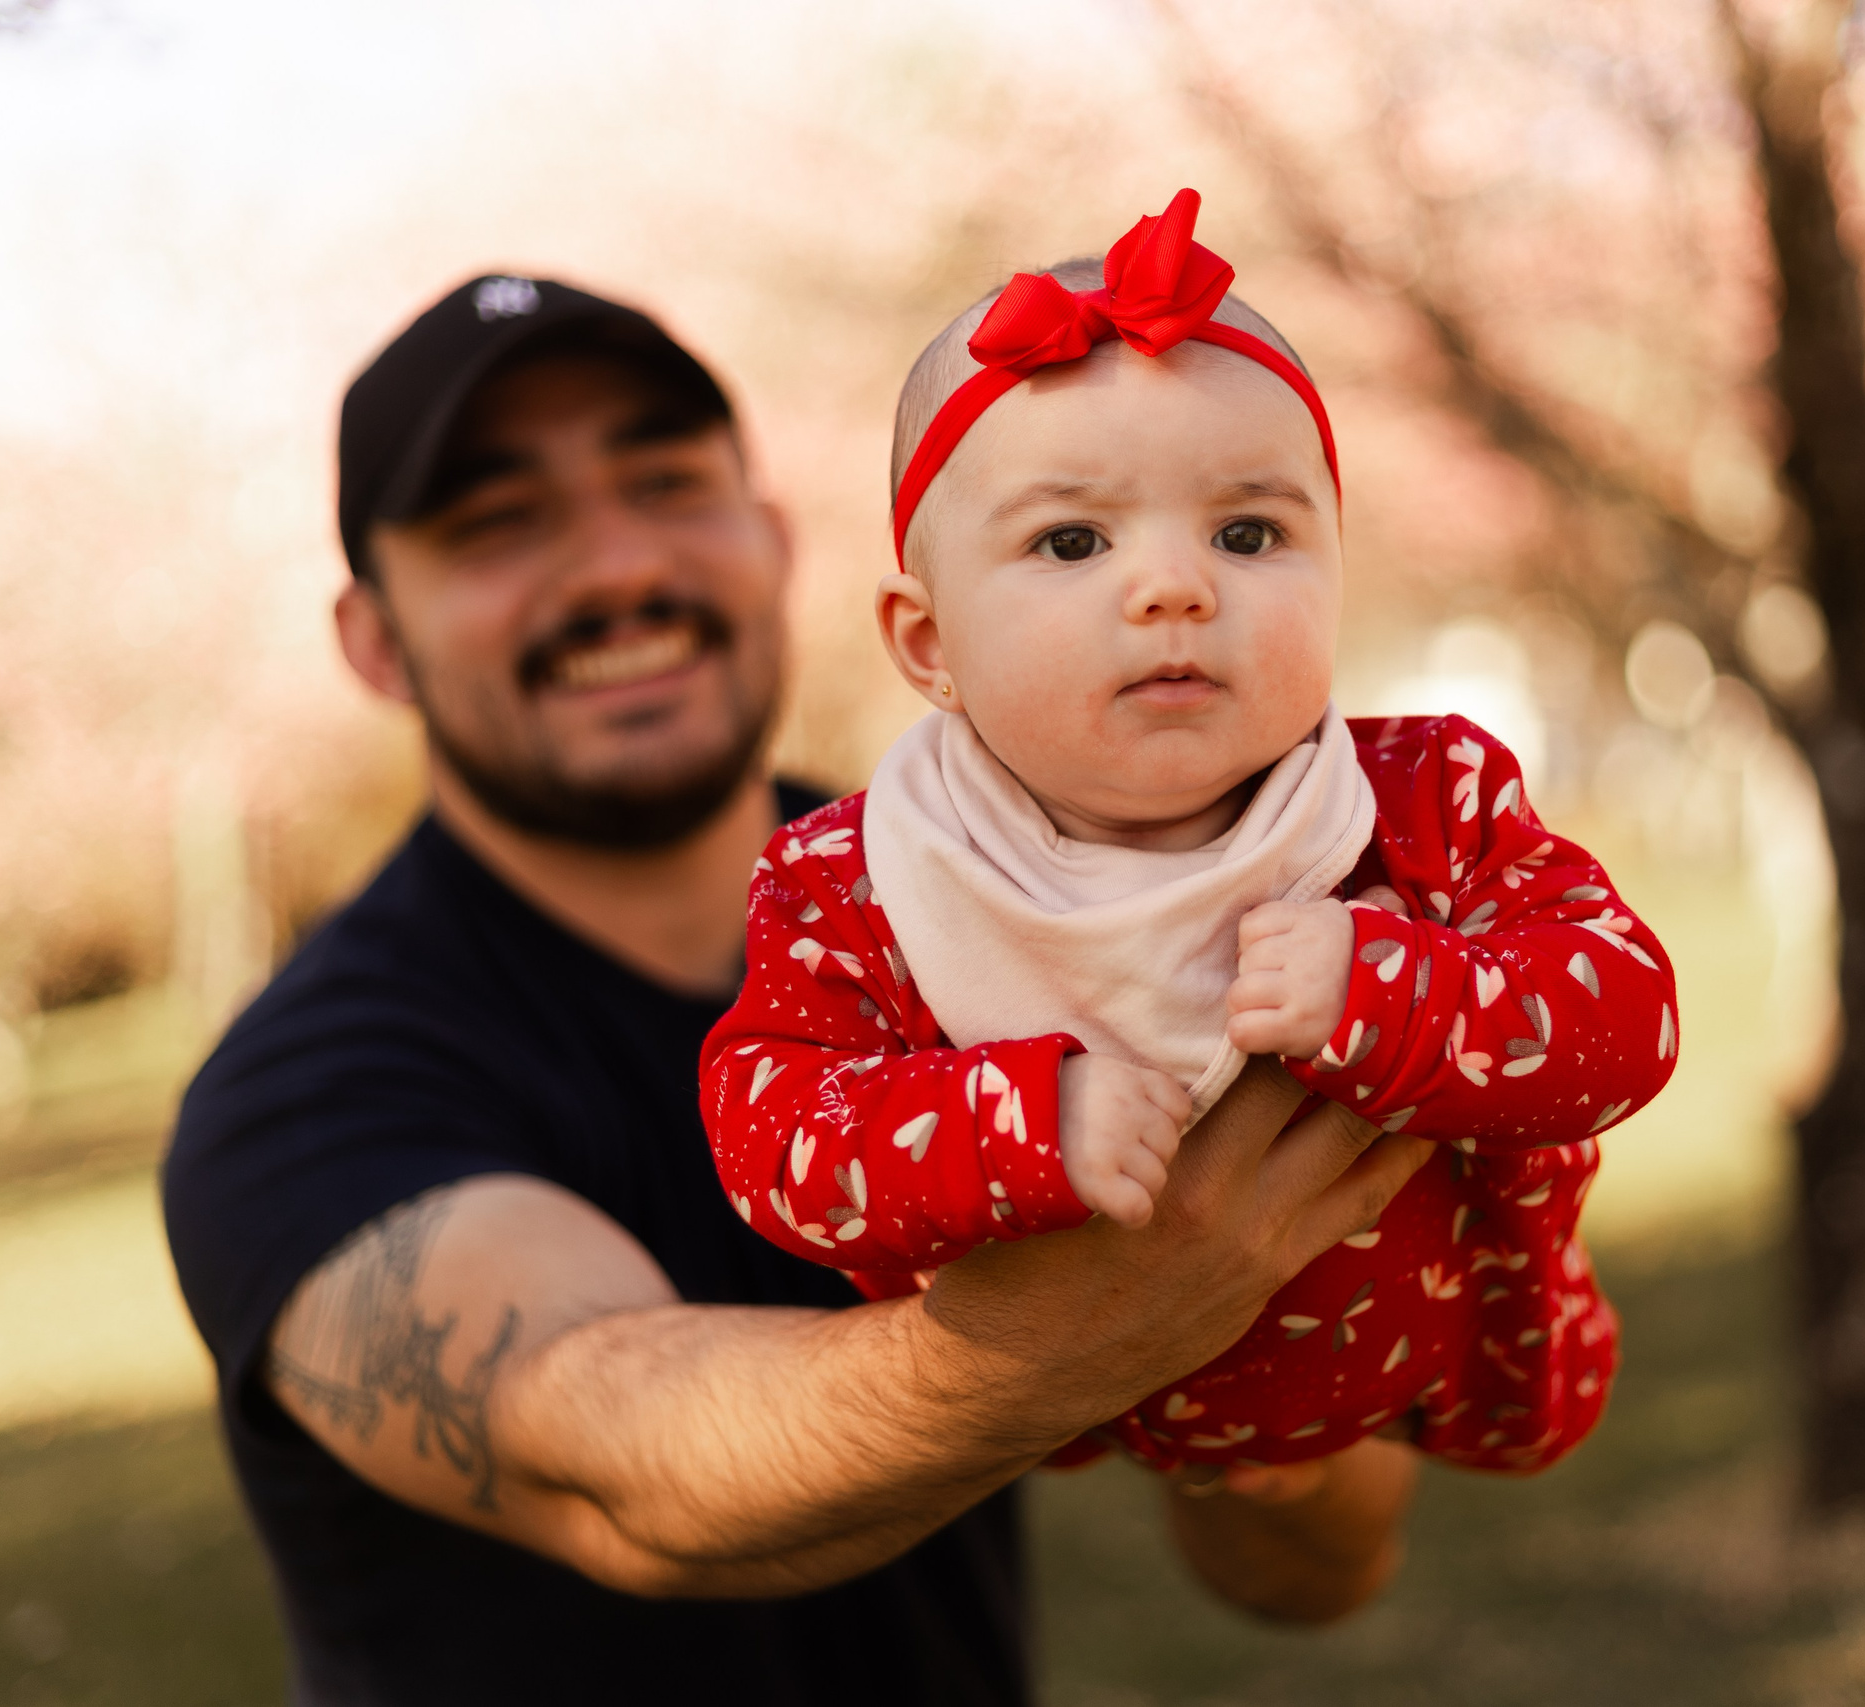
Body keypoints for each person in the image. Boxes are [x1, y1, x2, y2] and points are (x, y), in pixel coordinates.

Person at [161, 272, 1430, 1707]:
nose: (617, 566)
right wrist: (1068, 1338)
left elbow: (1316, 1572)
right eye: (498, 522)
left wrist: (1265, 1406)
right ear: (375, 638)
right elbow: (622, 1475)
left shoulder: (1005, 901)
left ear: (770, 541)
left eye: (666, 482)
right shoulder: (306, 1092)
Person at [704, 191, 1679, 1477]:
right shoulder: (855, 884)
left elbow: (1628, 1014)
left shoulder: (1425, 801)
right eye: (1070, 541)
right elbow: (772, 1135)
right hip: (1065, 1406)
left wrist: (1391, 990)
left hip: (1425, 1354)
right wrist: (1020, 1121)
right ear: (929, 644)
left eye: (1247, 532)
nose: (1175, 585)